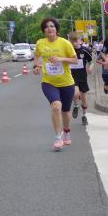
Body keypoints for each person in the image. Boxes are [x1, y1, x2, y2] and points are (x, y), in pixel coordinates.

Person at [33, 17, 78, 150]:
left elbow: (75, 60)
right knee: (56, 107)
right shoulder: (40, 43)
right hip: (49, 82)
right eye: (46, 27)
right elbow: (37, 55)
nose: (49, 29)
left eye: (52, 26)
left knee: (66, 110)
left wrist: (60, 59)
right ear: (44, 30)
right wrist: (36, 66)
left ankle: (67, 130)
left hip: (66, 82)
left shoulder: (65, 43)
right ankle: (58, 137)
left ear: (56, 29)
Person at [68, 32, 94, 126]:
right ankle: (76, 105)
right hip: (71, 77)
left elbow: (91, 61)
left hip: (82, 77)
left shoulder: (85, 50)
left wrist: (90, 67)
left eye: (76, 41)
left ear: (80, 41)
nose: (74, 43)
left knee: (84, 98)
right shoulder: (68, 51)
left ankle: (84, 115)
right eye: (72, 41)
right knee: (75, 93)